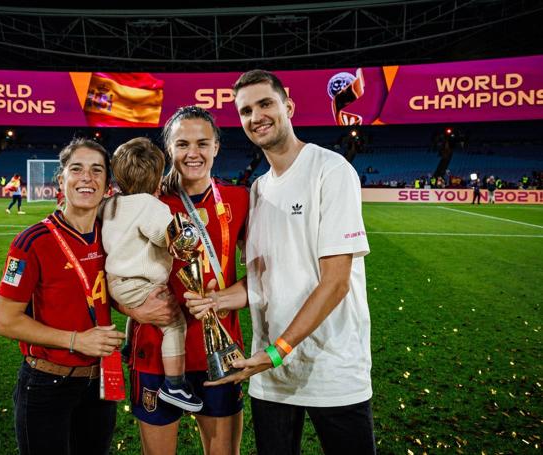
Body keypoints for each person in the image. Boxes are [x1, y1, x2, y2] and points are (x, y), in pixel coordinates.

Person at [187, 70, 375, 454]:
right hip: (269, 374)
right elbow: (261, 279)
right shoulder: (258, 189)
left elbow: (336, 281)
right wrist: (217, 300)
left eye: (265, 103)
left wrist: (278, 351)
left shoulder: (331, 169)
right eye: (246, 111)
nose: (256, 116)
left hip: (331, 367)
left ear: (288, 106)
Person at [122, 106, 249, 455]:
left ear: (217, 147)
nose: (193, 153)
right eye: (182, 144)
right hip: (154, 350)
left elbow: (265, 277)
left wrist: (223, 299)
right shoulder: (144, 203)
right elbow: (111, 273)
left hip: (220, 352)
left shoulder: (240, 200)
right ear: (168, 150)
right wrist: (135, 310)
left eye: (202, 143)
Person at [0, 138, 127, 455]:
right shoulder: (31, 242)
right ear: (61, 179)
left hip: (99, 382)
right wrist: (75, 340)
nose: (87, 177)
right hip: (47, 384)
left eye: (97, 170)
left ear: (108, 184)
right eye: (76, 168)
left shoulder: (113, 236)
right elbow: (6, 321)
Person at [101, 137, 202, 412]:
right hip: (140, 283)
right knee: (174, 324)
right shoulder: (150, 206)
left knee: (139, 309)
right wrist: (187, 232)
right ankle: (175, 384)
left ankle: (127, 349)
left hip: (116, 282)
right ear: (157, 175)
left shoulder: (110, 203)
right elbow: (168, 238)